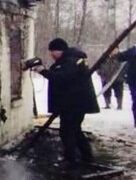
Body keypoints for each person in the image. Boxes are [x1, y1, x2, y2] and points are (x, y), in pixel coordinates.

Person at [30, 38, 100, 172]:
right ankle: (86, 157)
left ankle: (71, 161)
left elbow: (61, 78)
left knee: (67, 132)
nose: (51, 54)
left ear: (59, 50)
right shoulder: (70, 60)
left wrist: (43, 71)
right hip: (73, 103)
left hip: (73, 104)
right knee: (75, 130)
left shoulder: (71, 61)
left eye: (53, 51)